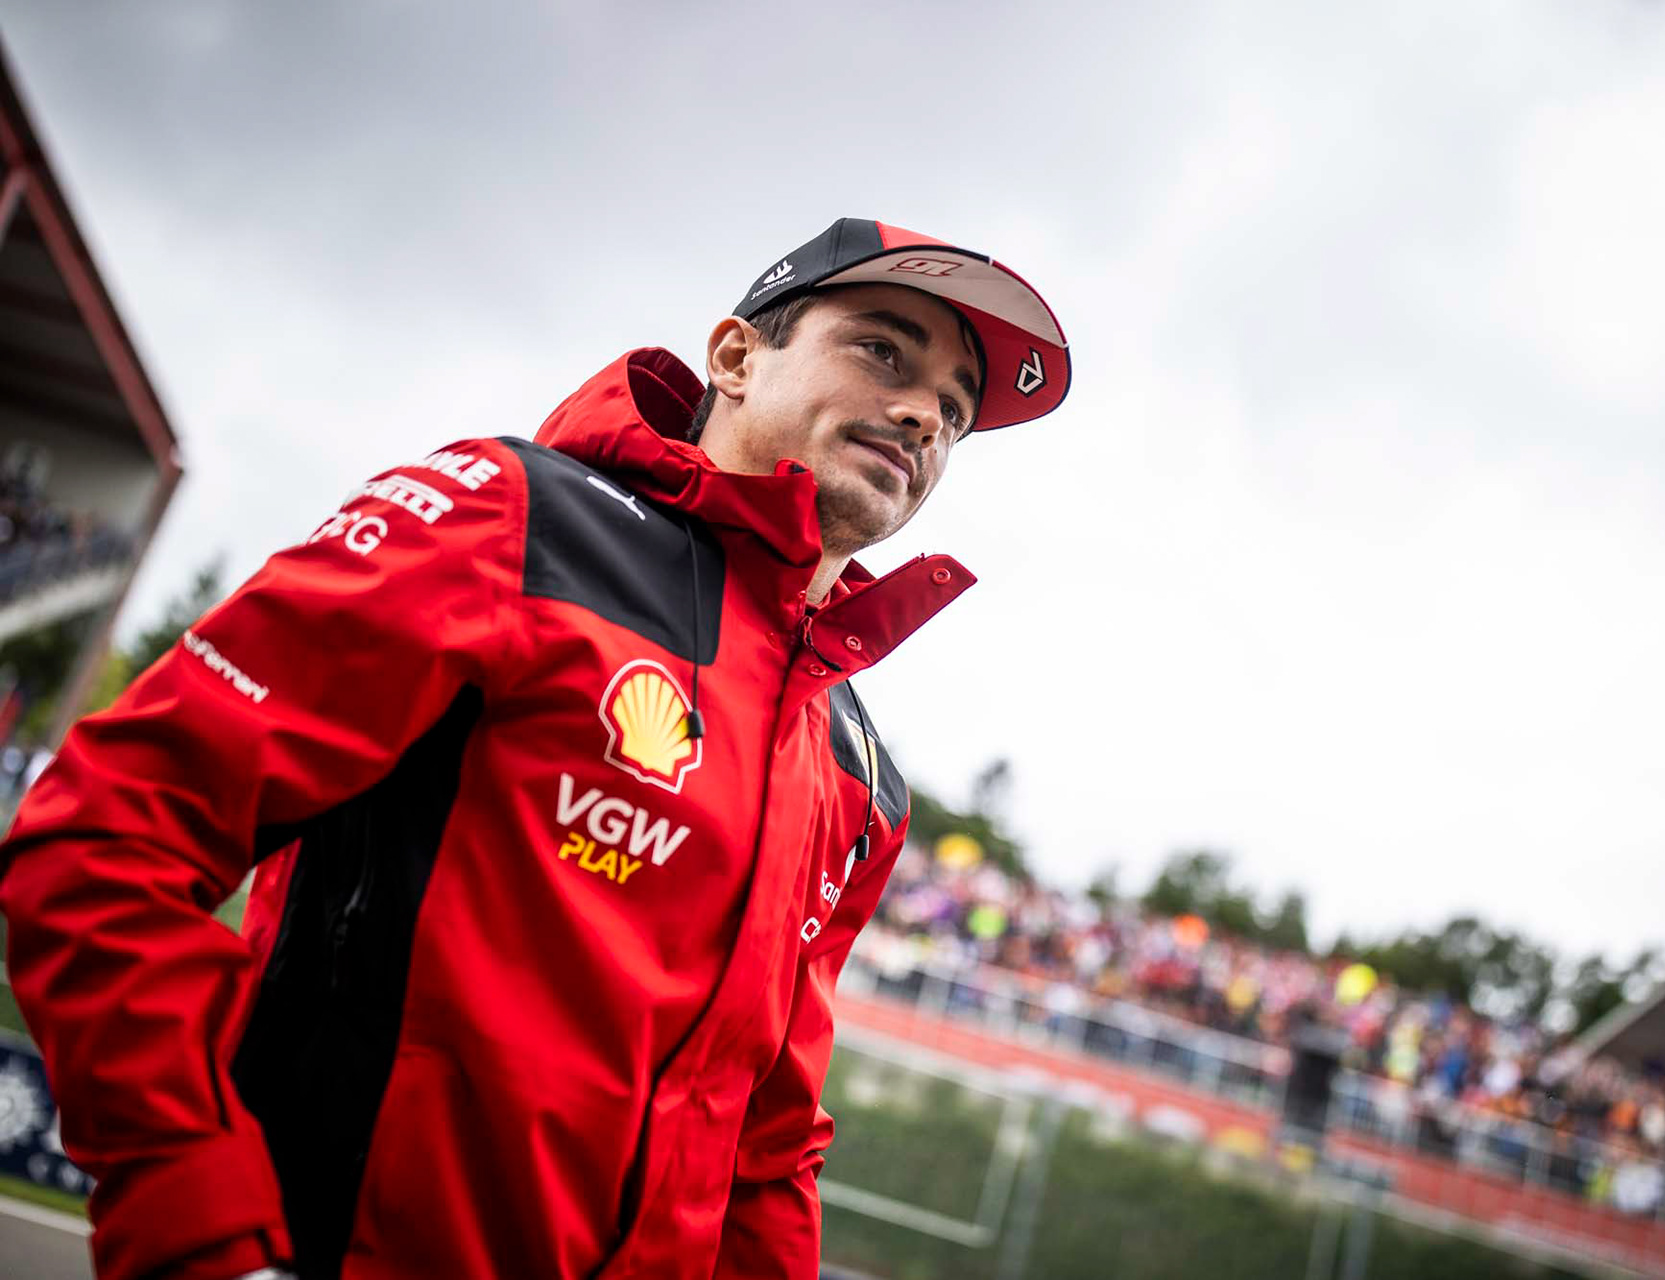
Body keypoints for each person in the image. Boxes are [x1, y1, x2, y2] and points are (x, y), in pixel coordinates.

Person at [0, 218, 1071, 1280]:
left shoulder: (859, 773)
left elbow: (767, 1143)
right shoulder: (507, 523)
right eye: (883, 350)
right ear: (737, 357)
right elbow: (103, 838)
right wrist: (201, 1229)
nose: (923, 415)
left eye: (955, 410)